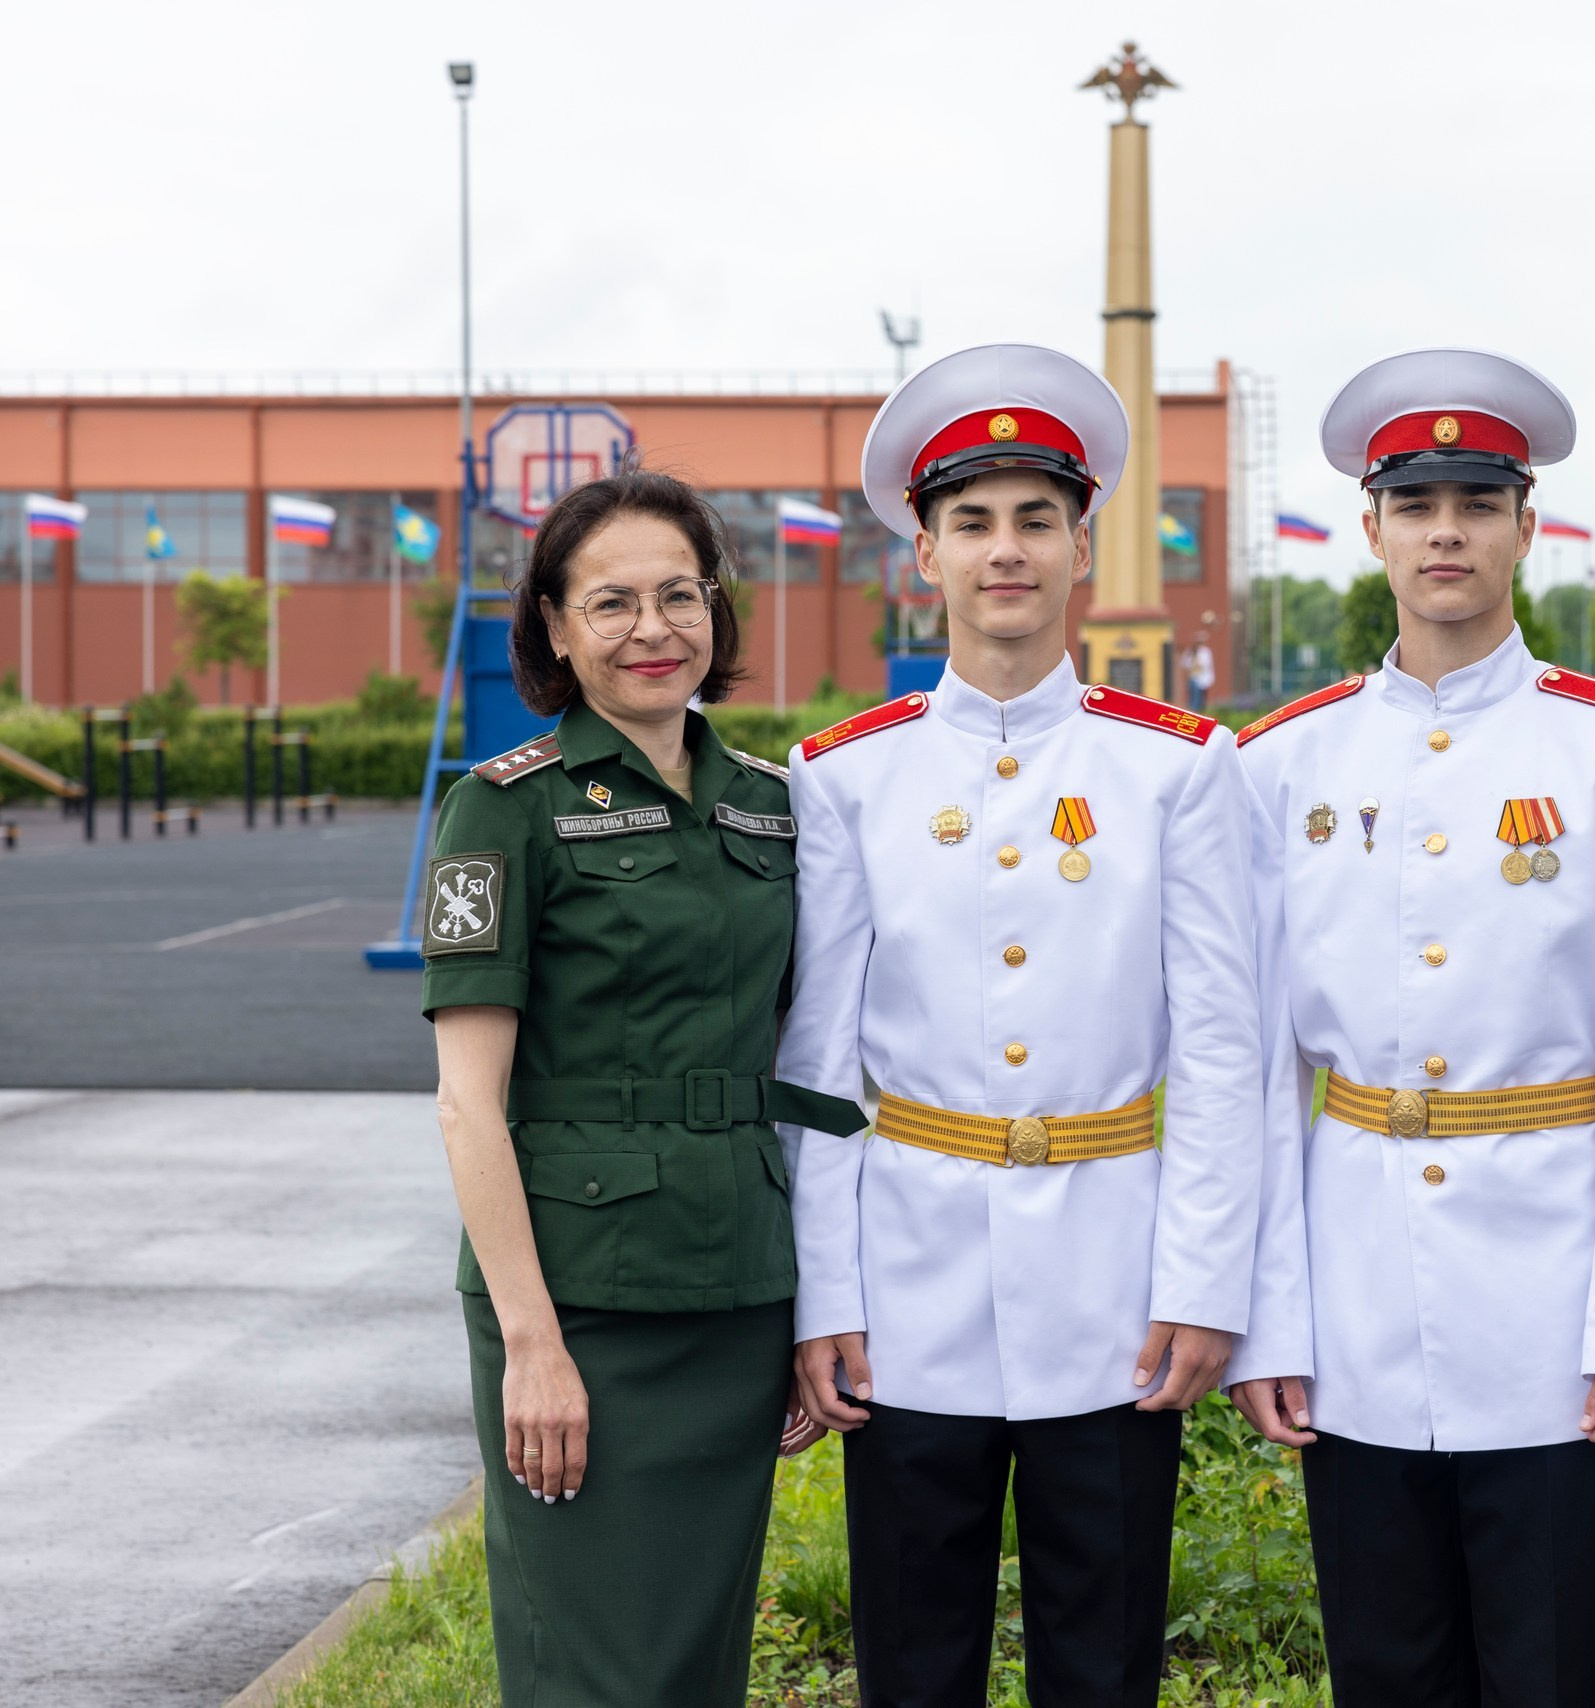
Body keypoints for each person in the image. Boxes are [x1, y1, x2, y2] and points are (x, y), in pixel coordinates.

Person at [1224, 347, 1595, 1708]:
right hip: (1358, 1299)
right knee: (1384, 1671)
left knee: (1548, 1675)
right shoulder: (1283, 763)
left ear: (1525, 530)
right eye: (1418, 501)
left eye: (1479, 502)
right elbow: (1260, 1069)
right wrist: (1269, 1320)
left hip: (1559, 1312)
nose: (1448, 529)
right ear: (1371, 528)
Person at [777, 343, 1262, 1708]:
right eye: (973, 523)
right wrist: (830, 1290)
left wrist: (1203, 1282)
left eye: (1036, 520)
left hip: (1115, 1277)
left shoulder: (1176, 766)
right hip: (909, 1277)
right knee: (914, 1658)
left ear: (1081, 546)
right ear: (920, 553)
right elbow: (815, 1068)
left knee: (1102, 1660)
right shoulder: (847, 775)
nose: (1007, 552)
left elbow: (1223, 1046)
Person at [422, 469, 866, 1707]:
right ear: (554, 627)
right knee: (594, 1666)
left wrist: (808, 1300)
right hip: (579, 1302)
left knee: (694, 1661)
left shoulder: (775, 807)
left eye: (681, 594)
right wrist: (531, 1344)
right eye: (610, 602)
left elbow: (803, 1059)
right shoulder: (500, 811)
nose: (653, 628)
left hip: (734, 1287)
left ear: (717, 614)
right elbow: (468, 1102)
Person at [1184, 628, 1216, 711]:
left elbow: (1207, 666)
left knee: (1201, 701)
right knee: (1194, 701)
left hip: (1202, 679)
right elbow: (1185, 663)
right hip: (1194, 678)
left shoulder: (1205, 651)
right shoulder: (1191, 651)